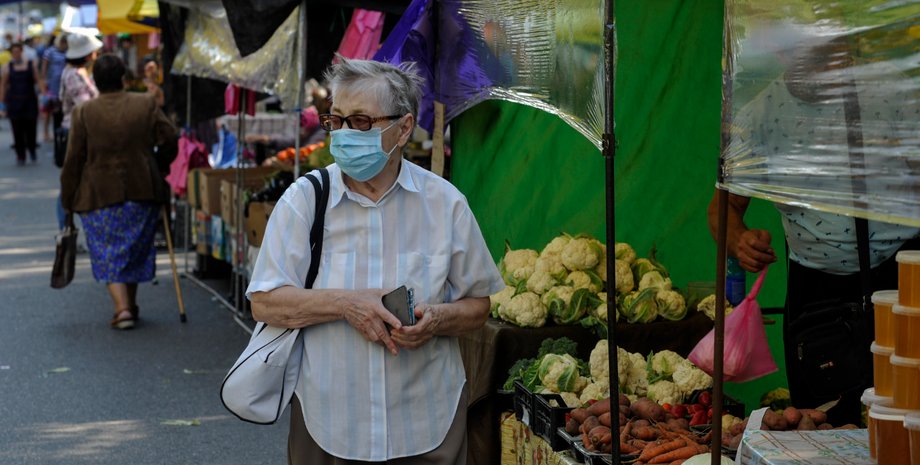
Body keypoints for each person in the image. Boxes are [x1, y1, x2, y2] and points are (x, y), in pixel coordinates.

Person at [246, 58, 504, 464]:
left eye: (362, 122)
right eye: (337, 120)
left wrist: (435, 319)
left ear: (403, 128)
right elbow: (264, 301)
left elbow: (478, 306)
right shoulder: (305, 201)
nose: (345, 134)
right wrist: (346, 304)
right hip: (328, 422)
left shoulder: (445, 204)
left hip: (426, 422)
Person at [707, 36, 920, 426]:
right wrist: (739, 240)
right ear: (779, 49)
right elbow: (723, 208)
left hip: (903, 281)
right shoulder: (760, 116)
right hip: (817, 295)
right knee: (820, 421)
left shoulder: (893, 92)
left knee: (907, 413)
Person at [60, 54, 178, 330]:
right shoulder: (145, 103)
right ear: (123, 78)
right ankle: (129, 306)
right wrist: (157, 164)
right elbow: (170, 137)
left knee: (108, 253)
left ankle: (123, 308)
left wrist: (68, 199)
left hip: (98, 193)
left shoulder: (84, 112)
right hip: (143, 188)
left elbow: (73, 159)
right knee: (134, 251)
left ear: (96, 82)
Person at [1, 42, 43, 165]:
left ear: (21, 52)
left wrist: (43, 95)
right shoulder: (7, 67)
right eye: (13, 52)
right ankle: (20, 154)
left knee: (31, 127)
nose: (16, 54)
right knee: (17, 129)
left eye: (18, 51)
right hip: (14, 102)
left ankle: (32, 149)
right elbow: (3, 85)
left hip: (29, 101)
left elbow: (38, 80)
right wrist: (2, 104)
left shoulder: (31, 65)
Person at [40, 34, 67, 143]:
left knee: (60, 111)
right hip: (52, 86)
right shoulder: (50, 52)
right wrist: (44, 83)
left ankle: (60, 132)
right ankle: (46, 132)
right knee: (48, 110)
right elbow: (44, 67)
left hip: (64, 86)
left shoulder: (68, 52)